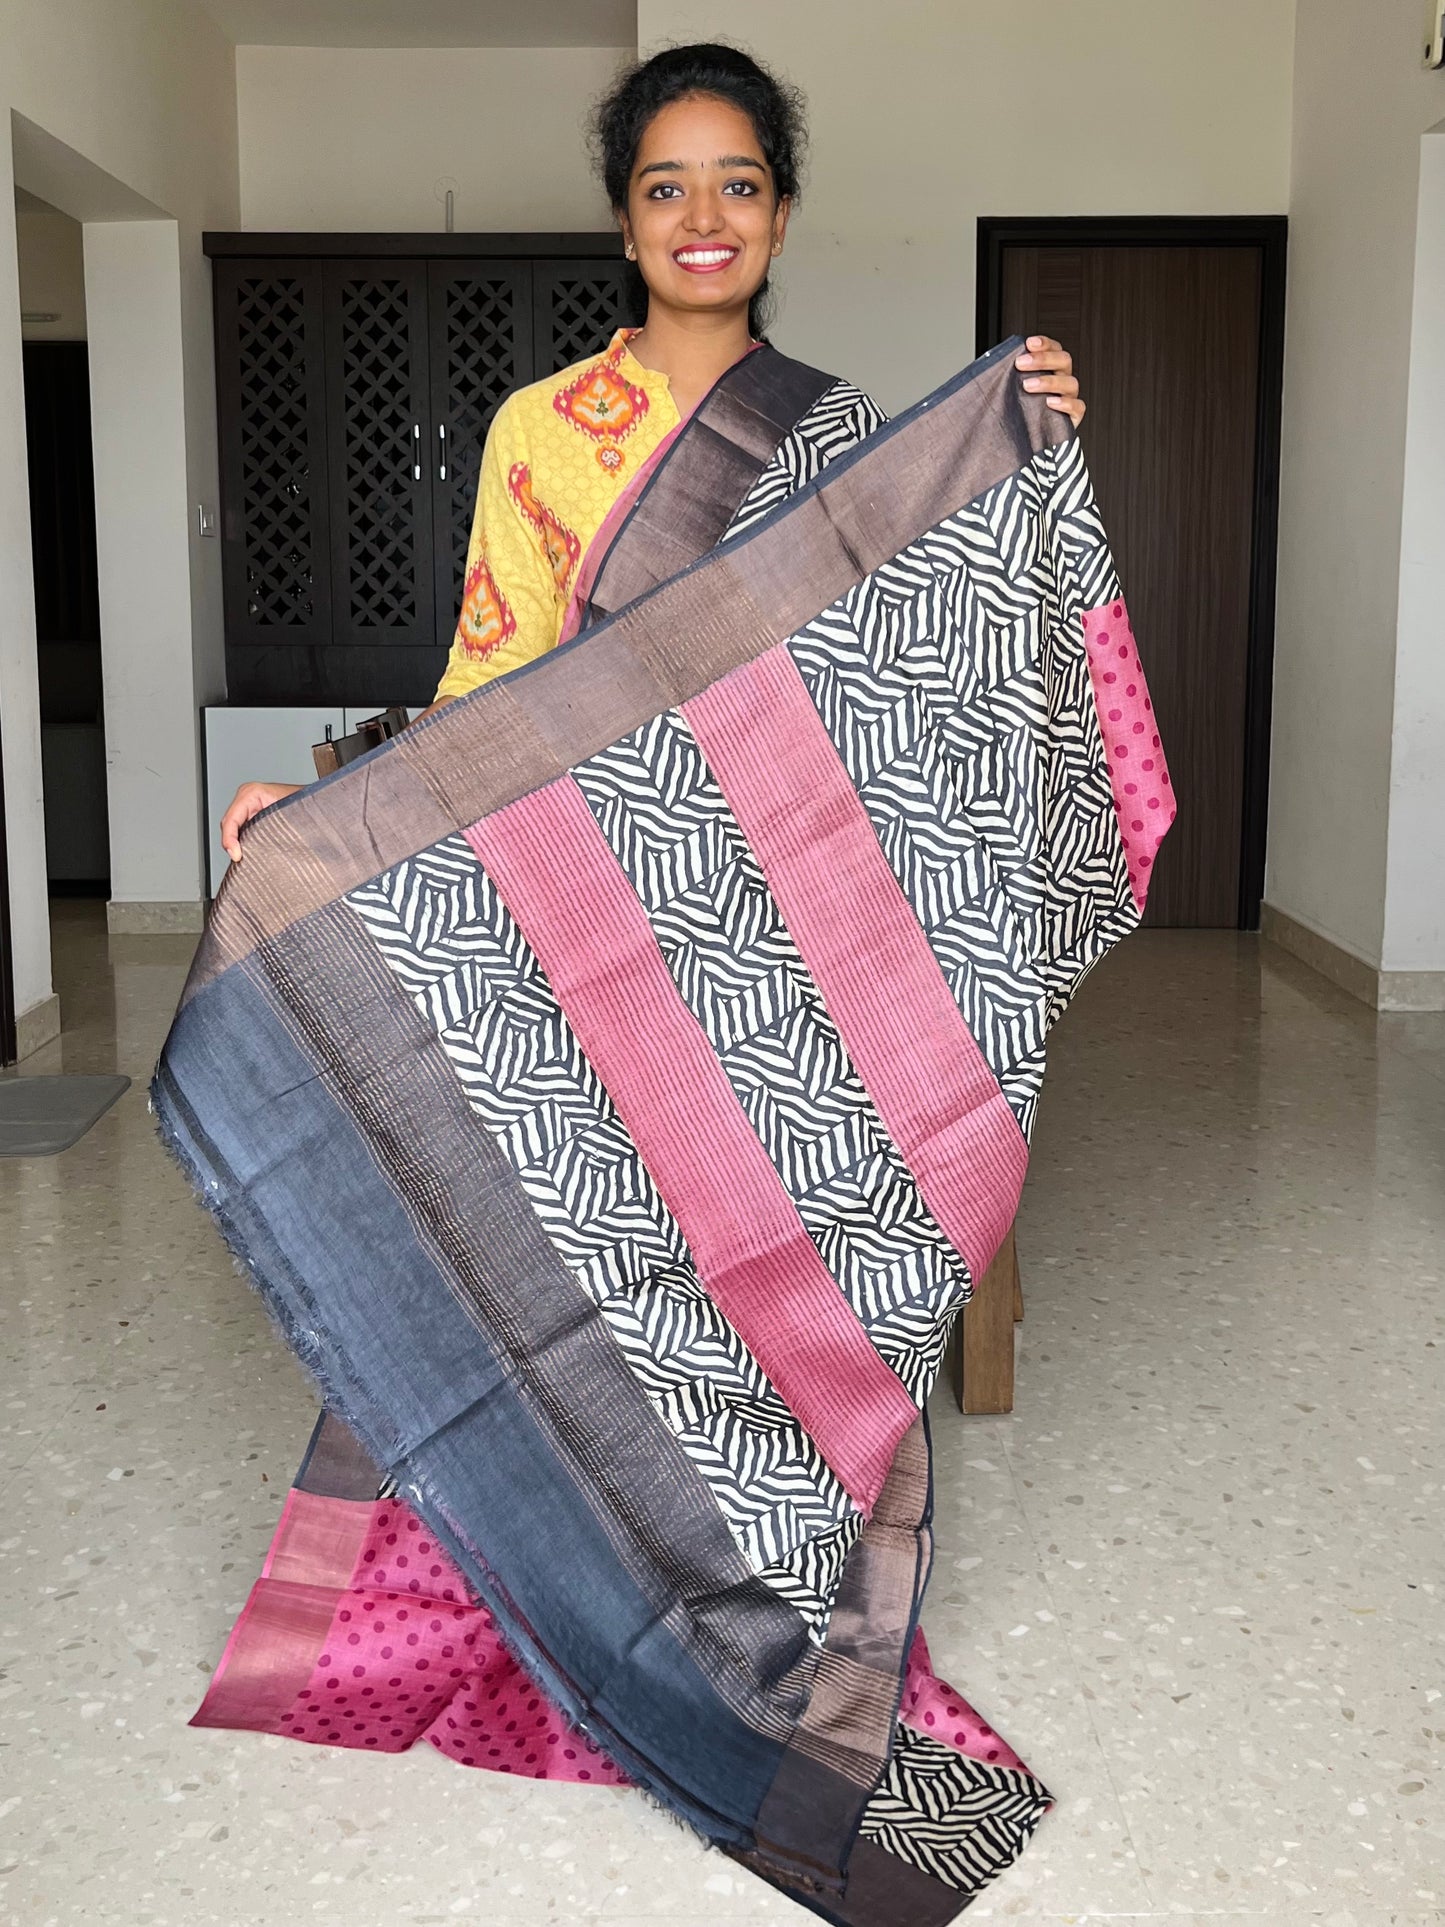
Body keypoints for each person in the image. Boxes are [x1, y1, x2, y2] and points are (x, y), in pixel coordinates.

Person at [219, 43, 1086, 861]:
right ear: (626, 225)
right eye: (665, 190)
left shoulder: (841, 427)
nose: (704, 218)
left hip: (786, 872)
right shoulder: (537, 425)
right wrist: (326, 808)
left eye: (739, 187)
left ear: (779, 220)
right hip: (588, 864)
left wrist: (1022, 458)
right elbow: (491, 687)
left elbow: (921, 656)